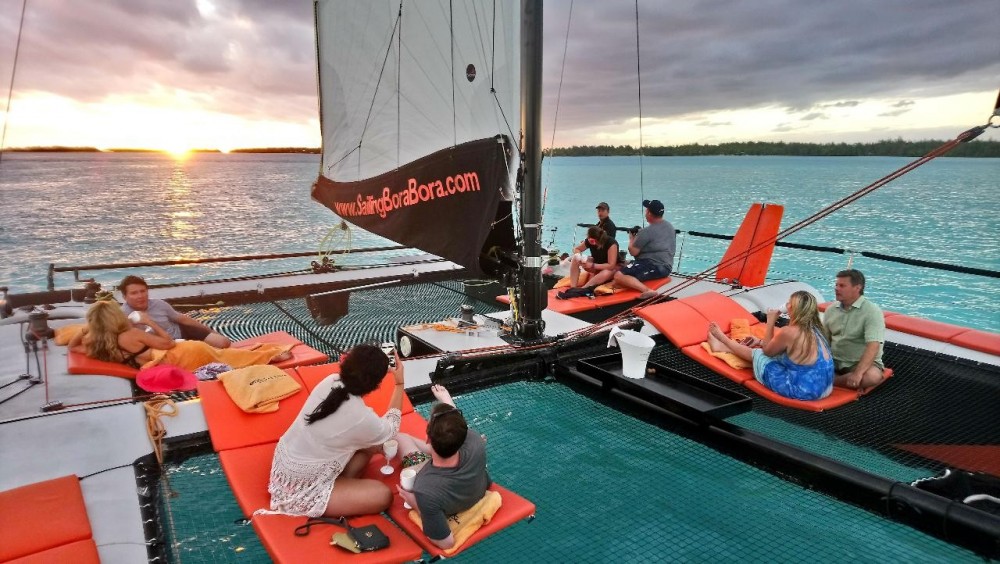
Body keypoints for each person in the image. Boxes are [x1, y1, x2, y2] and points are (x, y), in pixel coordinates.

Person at [267, 344, 406, 517]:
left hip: (285, 466)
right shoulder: (361, 417)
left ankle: (343, 486)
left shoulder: (330, 381)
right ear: (375, 385)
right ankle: (338, 490)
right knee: (383, 495)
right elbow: (391, 429)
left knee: (371, 445)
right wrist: (399, 383)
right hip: (300, 487)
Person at [395, 384, 491, 551]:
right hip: (476, 489)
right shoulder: (476, 441)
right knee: (408, 439)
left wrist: (415, 504)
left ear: (428, 439)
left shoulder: (425, 489)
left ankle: (415, 448)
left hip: (440, 489)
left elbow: (447, 543)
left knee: (400, 438)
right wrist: (447, 401)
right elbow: (459, 428)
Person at [69, 300, 291, 370]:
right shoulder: (130, 335)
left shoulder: (98, 345)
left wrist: (85, 330)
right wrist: (148, 322)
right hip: (183, 354)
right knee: (232, 358)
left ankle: (264, 353)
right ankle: (273, 355)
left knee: (229, 357)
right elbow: (167, 342)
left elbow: (72, 347)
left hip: (170, 362)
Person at [706, 291, 834, 401]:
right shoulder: (817, 330)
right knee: (779, 354)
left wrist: (770, 321)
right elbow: (788, 350)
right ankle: (726, 348)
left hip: (802, 391)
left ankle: (722, 341)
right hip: (824, 389)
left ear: (794, 309)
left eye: (789, 303)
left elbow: (767, 352)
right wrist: (760, 342)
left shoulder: (789, 332)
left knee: (759, 354)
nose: (787, 305)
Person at [119, 275, 232, 348]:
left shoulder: (159, 304)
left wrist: (210, 330)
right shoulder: (122, 315)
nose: (140, 296)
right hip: (164, 344)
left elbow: (183, 319)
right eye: (134, 293)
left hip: (182, 332)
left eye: (143, 291)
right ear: (124, 297)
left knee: (224, 343)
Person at [824, 269, 886, 391]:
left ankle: (831, 380)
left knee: (872, 377)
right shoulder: (831, 310)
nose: (836, 288)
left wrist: (858, 373)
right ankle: (842, 381)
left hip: (858, 364)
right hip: (835, 361)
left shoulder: (872, 312)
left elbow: (873, 346)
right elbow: (824, 340)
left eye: (842, 285)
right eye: (836, 285)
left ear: (857, 288)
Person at [69, 299, 175, 368]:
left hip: (147, 365)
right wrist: (149, 322)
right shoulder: (132, 334)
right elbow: (170, 343)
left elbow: (72, 347)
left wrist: (87, 328)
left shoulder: (99, 347)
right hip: (176, 358)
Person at [612, 199, 675, 300]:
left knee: (618, 276)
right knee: (623, 264)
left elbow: (633, 251)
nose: (645, 212)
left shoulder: (647, 231)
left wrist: (632, 239)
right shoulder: (670, 227)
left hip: (656, 266)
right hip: (667, 265)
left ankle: (647, 290)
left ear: (649, 213)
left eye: (646, 210)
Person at [560, 226, 619, 297]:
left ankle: (583, 289)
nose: (592, 243)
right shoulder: (589, 241)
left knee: (606, 272)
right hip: (598, 264)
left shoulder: (611, 244)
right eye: (590, 240)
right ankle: (573, 287)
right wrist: (579, 256)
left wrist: (591, 265)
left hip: (612, 268)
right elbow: (577, 249)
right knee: (575, 258)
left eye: (593, 241)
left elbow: (611, 265)